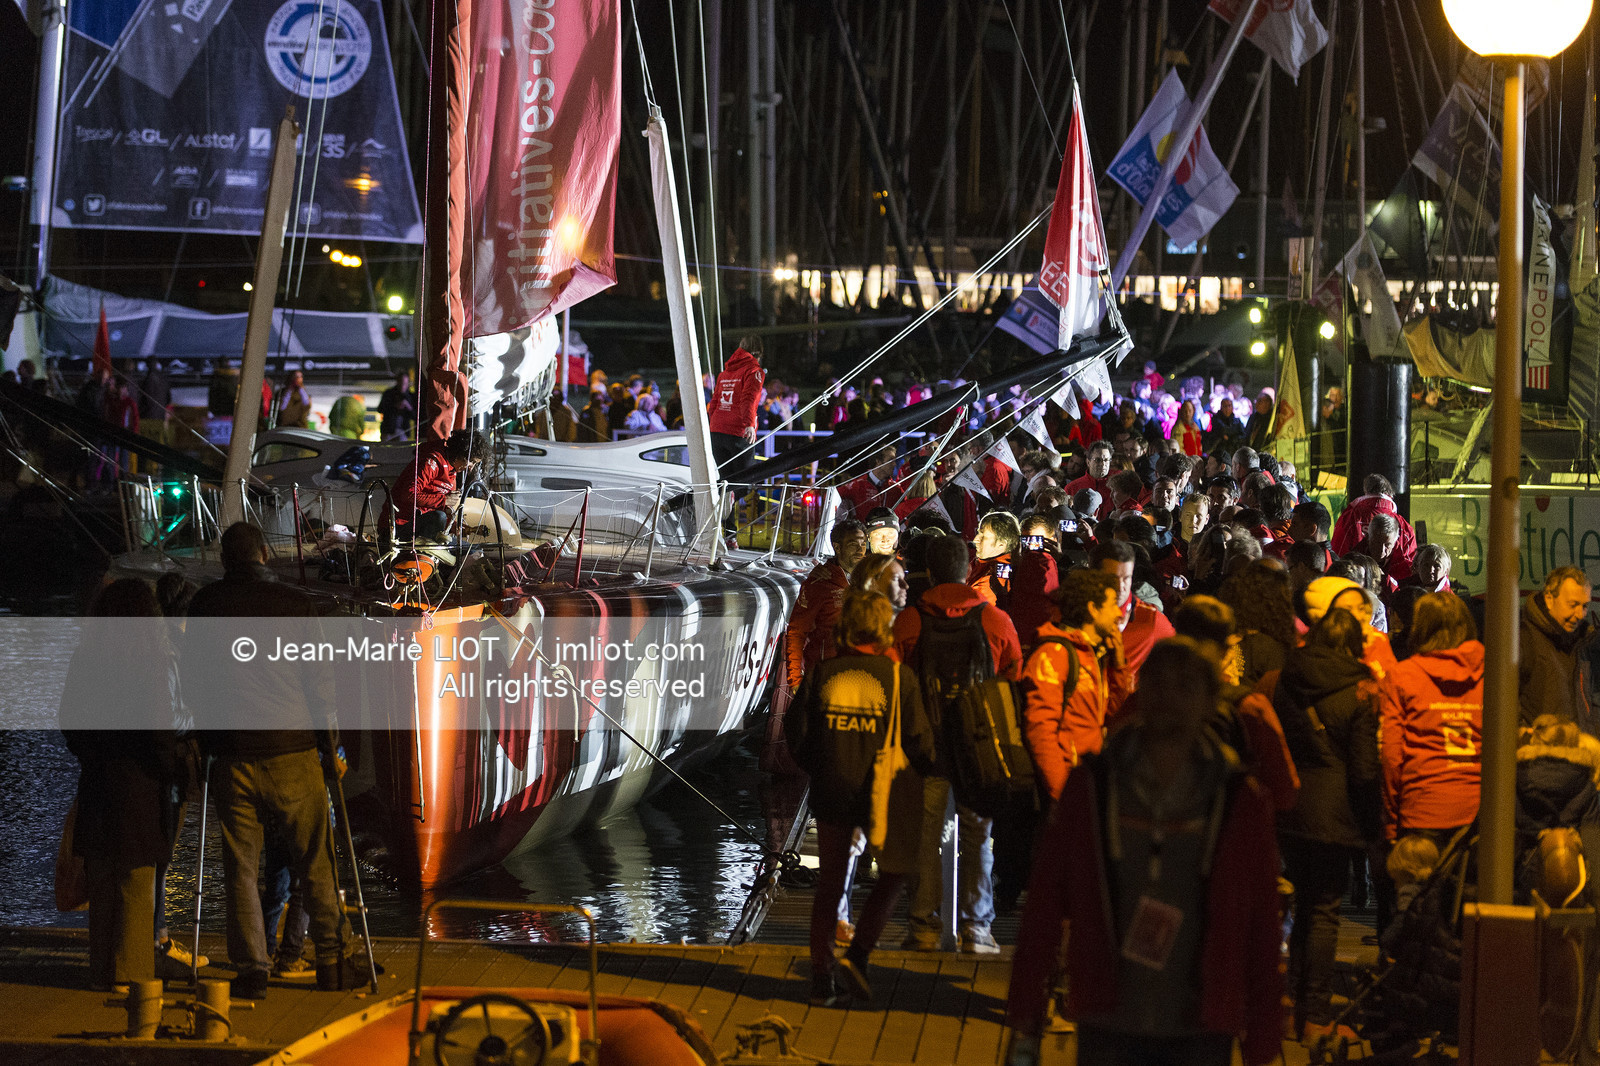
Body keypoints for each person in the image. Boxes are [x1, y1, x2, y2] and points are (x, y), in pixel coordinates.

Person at [1006, 638, 1284, 1066]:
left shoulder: (1239, 799)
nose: (1169, 698)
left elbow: (1262, 922)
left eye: (1185, 687)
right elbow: (1045, 901)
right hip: (1108, 1014)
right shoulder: (1093, 788)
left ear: (1211, 699)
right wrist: (1026, 1014)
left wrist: (1263, 1037)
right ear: (1140, 691)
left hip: (1203, 1020)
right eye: (1158, 684)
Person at [184, 522, 367, 996]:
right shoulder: (295, 605)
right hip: (293, 749)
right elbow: (319, 686)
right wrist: (331, 749)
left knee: (241, 867)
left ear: (226, 560)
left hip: (231, 754)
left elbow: (193, 684)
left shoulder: (205, 607)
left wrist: (205, 743)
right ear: (265, 554)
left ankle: (251, 970)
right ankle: (331, 961)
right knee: (315, 859)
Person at [788, 591, 936, 1005]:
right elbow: (921, 742)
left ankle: (822, 976)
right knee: (894, 873)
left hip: (832, 789)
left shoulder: (825, 673)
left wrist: (817, 764)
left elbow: (796, 730)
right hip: (881, 792)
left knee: (831, 884)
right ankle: (860, 952)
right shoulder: (896, 677)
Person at [893, 535, 1023, 954]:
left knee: (925, 835)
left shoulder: (910, 621)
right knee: (978, 837)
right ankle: (976, 929)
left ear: (928, 572)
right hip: (978, 746)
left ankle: (924, 925)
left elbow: (893, 681)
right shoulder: (995, 620)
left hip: (927, 746)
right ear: (968, 570)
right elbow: (1014, 678)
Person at [60, 579, 186, 993]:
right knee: (136, 885)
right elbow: (158, 731)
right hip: (140, 788)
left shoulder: (86, 658)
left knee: (102, 883)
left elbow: (70, 722)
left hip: (98, 783)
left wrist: (92, 754)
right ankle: (132, 976)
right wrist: (173, 768)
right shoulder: (148, 661)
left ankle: (101, 971)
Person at [1271, 608, 1382, 1041]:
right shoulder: (1358, 691)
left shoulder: (1288, 678)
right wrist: (1371, 824)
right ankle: (1314, 1013)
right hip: (1335, 816)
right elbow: (1363, 770)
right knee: (1325, 912)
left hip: (1292, 807)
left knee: (1299, 904)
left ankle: (1291, 998)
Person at [1378, 592, 1484, 846]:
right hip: (1478, 811)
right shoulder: (1487, 674)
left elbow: (1391, 756)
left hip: (1421, 811)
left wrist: (1391, 823)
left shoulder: (1402, 677)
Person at [1022, 568, 1131, 799]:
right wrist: (1061, 795)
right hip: (1064, 789)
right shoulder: (1054, 654)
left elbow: (1116, 714)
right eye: (1112, 604)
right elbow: (1041, 732)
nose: (1118, 614)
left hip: (1086, 784)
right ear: (1092, 608)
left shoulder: (1094, 655)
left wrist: (1119, 666)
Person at [1519, 565, 1597, 728]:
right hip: (1541, 751)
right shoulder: (1525, 639)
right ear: (1549, 598)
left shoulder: (1584, 644)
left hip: (1579, 751)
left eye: (1584, 606)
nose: (1580, 614)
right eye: (1573, 604)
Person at [1093, 539, 1174, 678]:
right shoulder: (1074, 616)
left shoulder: (1152, 621)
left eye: (1126, 578)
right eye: (1112, 578)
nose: (1120, 587)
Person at [389, 428, 489, 540]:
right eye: (472, 462)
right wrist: (443, 500)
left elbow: (437, 511)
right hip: (399, 526)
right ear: (461, 453)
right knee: (439, 517)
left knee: (473, 551)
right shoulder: (431, 462)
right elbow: (408, 494)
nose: (471, 468)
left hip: (422, 526)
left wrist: (457, 527)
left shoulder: (452, 473)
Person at [707, 335, 766, 474]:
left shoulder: (725, 373)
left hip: (717, 431)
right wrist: (749, 424)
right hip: (738, 432)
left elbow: (714, 402)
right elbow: (749, 399)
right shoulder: (754, 371)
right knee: (745, 480)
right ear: (759, 352)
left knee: (725, 480)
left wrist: (714, 423)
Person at [1330, 474, 1416, 568]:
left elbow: (1337, 555)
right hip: (1395, 581)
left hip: (1354, 579)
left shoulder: (1350, 517)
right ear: (1390, 494)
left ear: (1366, 491)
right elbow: (1410, 565)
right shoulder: (1403, 526)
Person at [970, 511, 1019, 607]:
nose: (975, 540)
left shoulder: (993, 578)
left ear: (1001, 545)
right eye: (978, 533)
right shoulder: (980, 564)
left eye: (983, 536)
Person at [838, 446, 900, 520]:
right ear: (878, 462)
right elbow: (831, 498)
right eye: (890, 460)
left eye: (894, 461)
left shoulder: (896, 489)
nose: (894, 464)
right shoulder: (856, 486)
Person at [1064, 441, 1113, 519]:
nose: (1103, 464)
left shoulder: (1116, 488)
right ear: (1088, 462)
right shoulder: (1072, 487)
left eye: (1106, 460)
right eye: (1098, 460)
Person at [377, 369, 417, 441]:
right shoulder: (389, 394)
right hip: (388, 430)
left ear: (407, 383)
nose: (402, 386)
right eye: (401, 383)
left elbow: (415, 416)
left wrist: (408, 406)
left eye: (404, 383)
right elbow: (380, 409)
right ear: (397, 382)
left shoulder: (410, 397)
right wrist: (394, 406)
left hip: (403, 431)